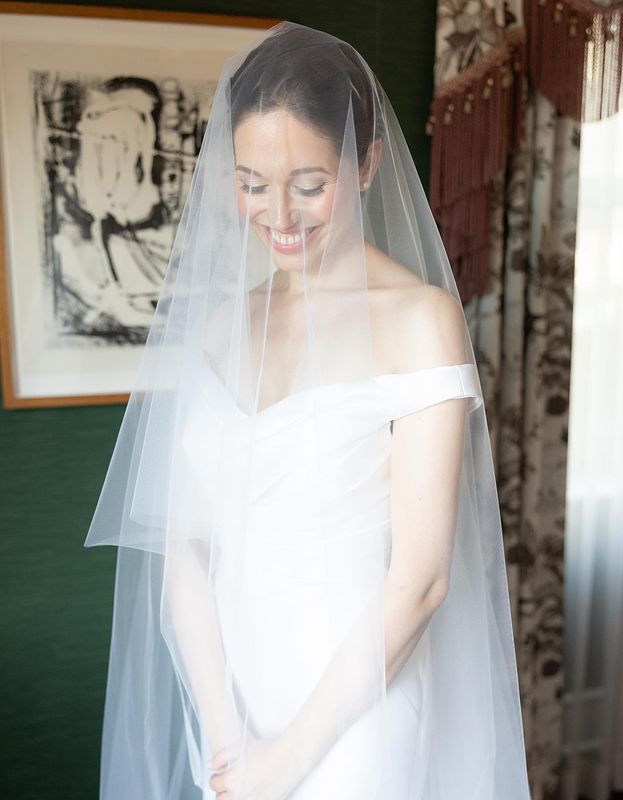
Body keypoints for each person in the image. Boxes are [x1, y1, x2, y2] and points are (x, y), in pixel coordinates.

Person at [84, 20, 532, 800]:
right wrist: (227, 737)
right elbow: (183, 552)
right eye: (252, 182)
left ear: (365, 164)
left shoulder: (419, 319)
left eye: (308, 183)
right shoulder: (225, 326)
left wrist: (285, 761)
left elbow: (422, 580)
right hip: (231, 711)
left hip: (357, 716)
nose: (278, 215)